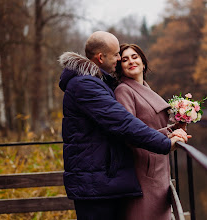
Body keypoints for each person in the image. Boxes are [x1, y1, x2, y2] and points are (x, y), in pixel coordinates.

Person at [58, 31, 188, 220]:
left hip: (100, 179)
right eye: (117, 54)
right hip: (94, 183)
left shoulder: (96, 83)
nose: (119, 59)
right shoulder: (85, 85)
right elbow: (123, 123)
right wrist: (165, 143)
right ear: (101, 58)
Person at [114, 43, 182, 220]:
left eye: (135, 57)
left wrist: (179, 126)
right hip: (142, 167)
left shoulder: (146, 88)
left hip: (159, 164)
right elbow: (129, 132)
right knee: (144, 213)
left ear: (143, 63)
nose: (130, 62)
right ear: (120, 67)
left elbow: (154, 123)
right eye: (125, 59)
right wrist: (167, 136)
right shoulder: (123, 90)